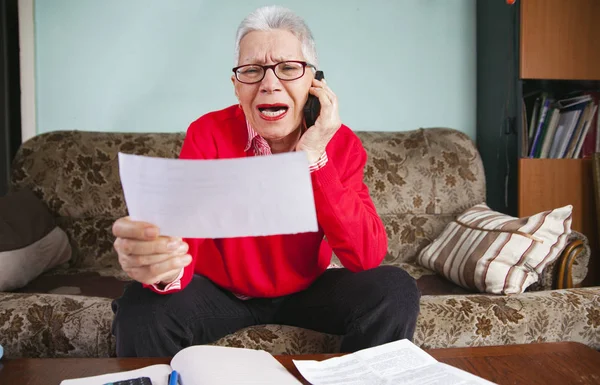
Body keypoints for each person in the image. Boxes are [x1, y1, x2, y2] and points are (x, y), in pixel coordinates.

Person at [111, 5, 420, 357]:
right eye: (253, 71)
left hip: (308, 290)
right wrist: (162, 267)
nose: (269, 84)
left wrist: (315, 157)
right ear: (236, 86)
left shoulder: (341, 142)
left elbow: (365, 256)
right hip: (221, 294)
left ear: (314, 83)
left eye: (288, 68)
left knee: (395, 288)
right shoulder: (207, 133)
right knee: (141, 306)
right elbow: (185, 234)